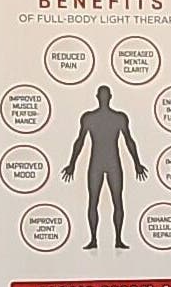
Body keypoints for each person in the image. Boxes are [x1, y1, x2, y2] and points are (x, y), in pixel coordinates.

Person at [61, 84, 147, 249]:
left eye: (104, 95)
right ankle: (93, 239)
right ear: (100, 97)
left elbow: (129, 141)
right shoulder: (89, 118)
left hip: (112, 162)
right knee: (94, 202)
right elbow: (79, 142)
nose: (103, 98)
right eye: (103, 95)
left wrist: (137, 163)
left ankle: (118, 239)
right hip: (98, 163)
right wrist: (72, 163)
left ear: (106, 97)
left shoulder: (119, 118)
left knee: (117, 201)